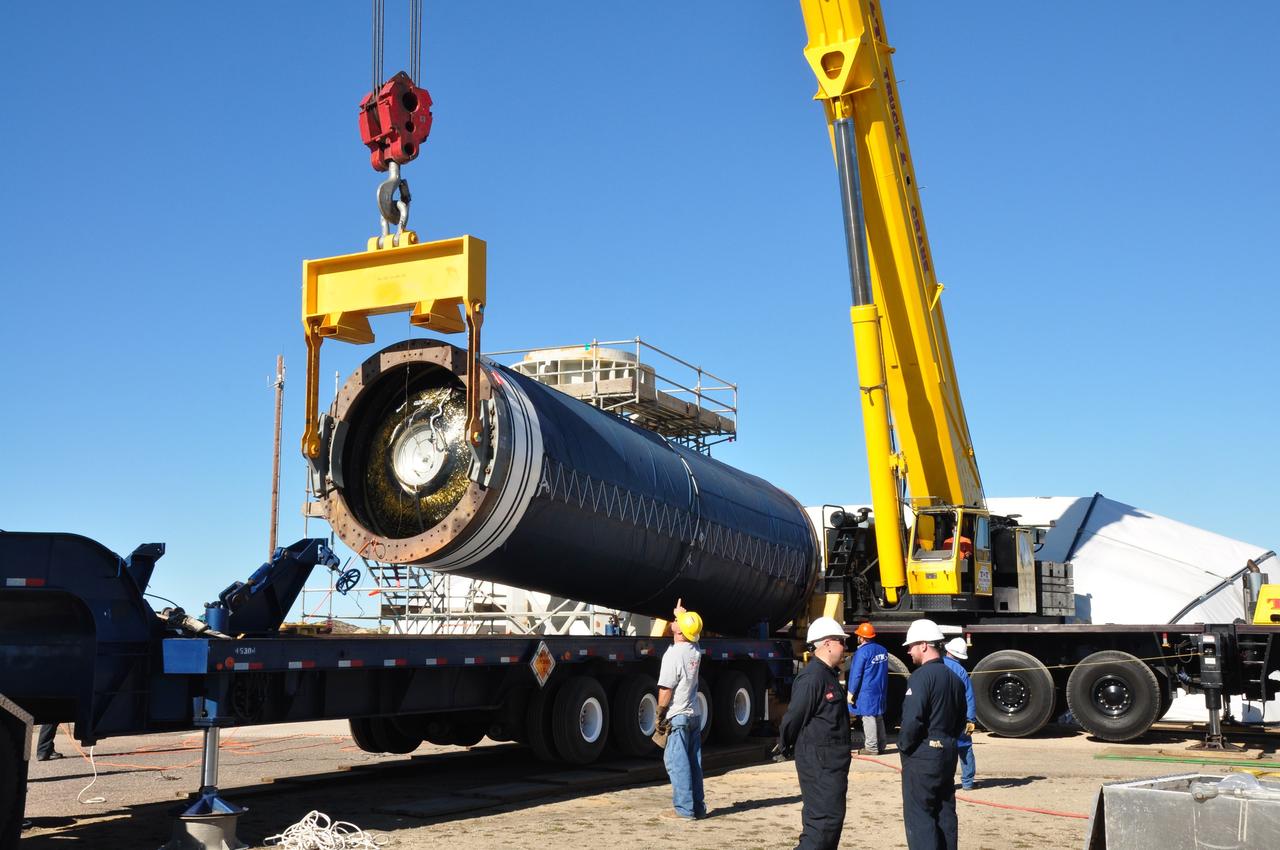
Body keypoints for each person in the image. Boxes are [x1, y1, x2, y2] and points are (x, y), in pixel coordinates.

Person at [778, 616, 851, 850]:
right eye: (842, 642)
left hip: (832, 763)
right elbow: (793, 718)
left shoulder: (827, 676)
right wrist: (785, 745)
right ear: (827, 643)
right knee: (822, 825)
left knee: (832, 823)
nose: (845, 647)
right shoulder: (812, 678)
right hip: (819, 763)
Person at [899, 619, 966, 850]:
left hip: (924, 755)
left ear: (925, 645)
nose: (908, 651)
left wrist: (905, 747)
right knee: (945, 812)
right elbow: (960, 720)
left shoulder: (920, 677)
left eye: (912, 645)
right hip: (948, 752)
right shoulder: (955, 680)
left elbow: (911, 721)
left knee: (920, 818)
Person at [656, 599, 706, 820]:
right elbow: (688, 630)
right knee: (694, 763)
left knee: (677, 764)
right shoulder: (695, 650)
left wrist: (659, 713)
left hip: (677, 716)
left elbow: (666, 689)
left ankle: (684, 810)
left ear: (680, 632)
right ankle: (698, 807)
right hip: (693, 714)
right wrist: (681, 616)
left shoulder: (674, 654)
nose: (673, 623)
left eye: (677, 622)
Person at [846, 622, 889, 755]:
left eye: (858, 635)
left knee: (868, 717)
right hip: (880, 689)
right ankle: (881, 745)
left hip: (867, 690)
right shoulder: (883, 650)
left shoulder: (862, 652)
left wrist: (851, 692)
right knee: (878, 716)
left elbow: (856, 674)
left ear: (862, 637)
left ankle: (871, 748)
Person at [943, 637, 977, 790]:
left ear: (948, 650)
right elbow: (969, 697)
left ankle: (944, 782)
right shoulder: (961, 671)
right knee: (965, 748)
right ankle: (968, 782)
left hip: (941, 716)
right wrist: (970, 719)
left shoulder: (937, 665)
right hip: (959, 716)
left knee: (942, 750)